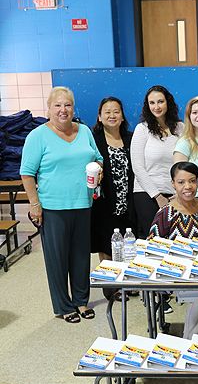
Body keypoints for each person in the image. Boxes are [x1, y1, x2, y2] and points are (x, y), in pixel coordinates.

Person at [20, 86, 103, 324]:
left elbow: (97, 158)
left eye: (67, 105)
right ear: (48, 109)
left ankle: (81, 301)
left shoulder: (85, 130)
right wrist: (35, 205)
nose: (63, 110)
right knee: (57, 259)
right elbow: (27, 173)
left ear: (73, 108)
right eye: (57, 105)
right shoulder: (37, 136)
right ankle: (63, 305)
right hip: (52, 207)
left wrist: (99, 172)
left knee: (80, 256)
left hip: (82, 203)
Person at [148, 162, 198, 338]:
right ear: (173, 184)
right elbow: (152, 249)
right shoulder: (166, 213)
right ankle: (190, 335)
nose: (187, 187)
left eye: (192, 181)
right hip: (177, 273)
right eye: (181, 182)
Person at [90, 97, 135, 301]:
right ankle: (111, 287)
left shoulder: (131, 138)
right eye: (107, 112)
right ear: (99, 116)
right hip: (105, 202)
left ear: (122, 115)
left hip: (129, 200)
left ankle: (126, 282)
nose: (112, 115)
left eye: (116, 111)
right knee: (106, 244)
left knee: (127, 244)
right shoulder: (93, 139)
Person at [131, 85, 184, 240]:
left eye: (160, 101)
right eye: (152, 103)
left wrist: (178, 193)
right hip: (147, 193)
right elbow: (138, 167)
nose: (156, 106)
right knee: (154, 241)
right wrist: (157, 196)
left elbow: (185, 163)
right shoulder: (142, 129)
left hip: (176, 194)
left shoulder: (181, 128)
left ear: (168, 102)